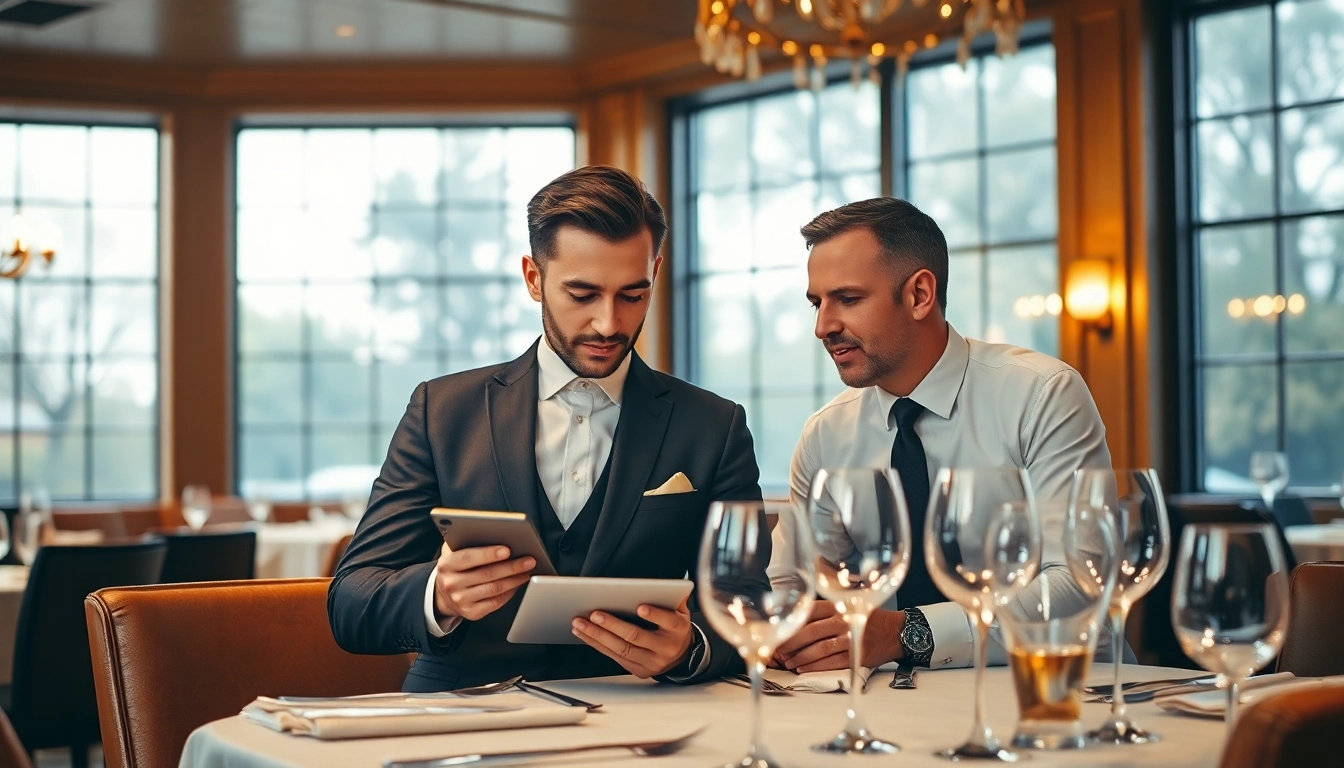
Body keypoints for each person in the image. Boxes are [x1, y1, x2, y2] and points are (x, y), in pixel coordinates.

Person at [329, 165, 762, 691]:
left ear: (656, 271)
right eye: (582, 295)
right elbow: (352, 600)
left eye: (632, 294)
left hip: (641, 724)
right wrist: (439, 595)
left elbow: (753, 606)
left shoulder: (715, 426)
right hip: (464, 717)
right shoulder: (440, 411)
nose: (609, 323)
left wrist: (690, 646)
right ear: (534, 279)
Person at [767, 197, 1119, 674]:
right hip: (889, 704)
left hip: (1061, 692)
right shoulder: (826, 434)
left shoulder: (1042, 395)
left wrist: (905, 633)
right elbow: (789, 583)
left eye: (847, 299)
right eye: (817, 303)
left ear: (919, 295)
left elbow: (1079, 586)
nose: (823, 326)